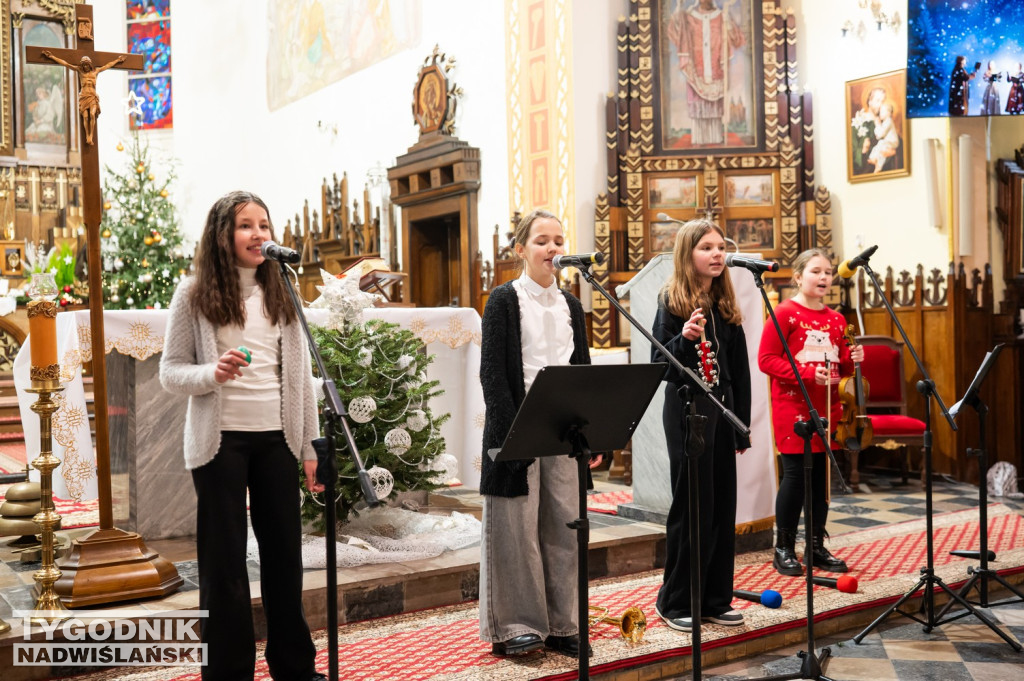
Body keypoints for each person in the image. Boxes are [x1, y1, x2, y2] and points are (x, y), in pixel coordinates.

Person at [160, 191, 326, 681]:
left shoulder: (284, 293)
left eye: (264, 225)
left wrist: (311, 445)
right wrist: (213, 372)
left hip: (277, 440)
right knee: (224, 566)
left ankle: (294, 667)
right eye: (246, 226)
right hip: (221, 443)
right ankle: (228, 673)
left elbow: (302, 380)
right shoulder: (193, 295)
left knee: (284, 561)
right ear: (222, 235)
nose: (258, 235)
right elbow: (171, 373)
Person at [478, 209, 591, 658]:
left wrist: (587, 432)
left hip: (564, 428)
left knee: (565, 525)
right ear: (521, 249)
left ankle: (564, 623)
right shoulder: (504, 300)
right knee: (516, 529)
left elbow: (580, 371)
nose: (553, 249)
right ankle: (516, 624)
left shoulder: (573, 306)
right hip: (516, 424)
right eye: (542, 240)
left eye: (559, 240)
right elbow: (493, 375)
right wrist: (510, 437)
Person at [651, 218, 751, 630]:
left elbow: (740, 371)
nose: (717, 254)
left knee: (721, 504)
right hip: (686, 411)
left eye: (720, 247)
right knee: (693, 506)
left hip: (722, 412)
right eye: (706, 247)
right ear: (687, 254)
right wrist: (685, 339)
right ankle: (674, 602)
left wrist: (741, 422)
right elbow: (660, 365)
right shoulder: (671, 301)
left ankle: (713, 598)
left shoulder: (726, 303)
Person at [757, 249, 863, 577]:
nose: (824, 278)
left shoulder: (837, 319)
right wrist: (804, 373)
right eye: (816, 271)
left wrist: (854, 358)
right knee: (794, 477)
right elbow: (766, 360)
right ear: (799, 276)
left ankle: (815, 546)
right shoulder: (785, 313)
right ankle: (784, 548)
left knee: (821, 481)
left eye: (828, 272)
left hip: (829, 409)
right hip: (793, 407)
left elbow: (842, 365)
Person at [666, 0, 746, 146]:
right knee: (698, 106)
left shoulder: (722, 16)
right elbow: (675, 33)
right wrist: (678, 10)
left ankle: (715, 138)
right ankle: (699, 139)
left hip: (716, 70)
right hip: (695, 71)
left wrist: (728, 25)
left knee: (715, 109)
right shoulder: (688, 17)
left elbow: (738, 40)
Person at [40, 50, 125, 145]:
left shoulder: (96, 72)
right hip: (84, 96)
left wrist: (117, 60)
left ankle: (90, 136)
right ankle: (87, 135)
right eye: (83, 65)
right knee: (85, 117)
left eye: (86, 65)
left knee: (92, 114)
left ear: (89, 65)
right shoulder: (80, 71)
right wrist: (52, 57)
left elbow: (107, 65)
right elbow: (66, 64)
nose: (85, 67)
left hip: (92, 96)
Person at [867, 101, 900, 173]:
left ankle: (879, 165)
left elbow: (881, 134)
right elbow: (878, 136)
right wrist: (878, 125)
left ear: (888, 113)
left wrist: (877, 124)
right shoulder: (885, 122)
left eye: (882, 112)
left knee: (882, 150)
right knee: (879, 146)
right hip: (887, 142)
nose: (880, 114)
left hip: (892, 142)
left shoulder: (888, 121)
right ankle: (873, 158)